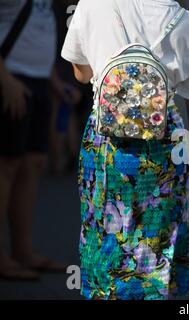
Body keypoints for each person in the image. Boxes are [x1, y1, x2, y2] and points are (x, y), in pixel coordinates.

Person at [61, 0, 189, 300]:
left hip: (105, 144)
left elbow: (81, 74)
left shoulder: (92, 5)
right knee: (154, 241)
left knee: (103, 231)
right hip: (163, 150)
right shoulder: (185, 23)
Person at [0, 0, 69, 281]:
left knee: (34, 163)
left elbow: (36, 31)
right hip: (12, 78)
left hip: (40, 79)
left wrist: (53, 80)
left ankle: (23, 250)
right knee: (6, 166)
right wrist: (5, 80)